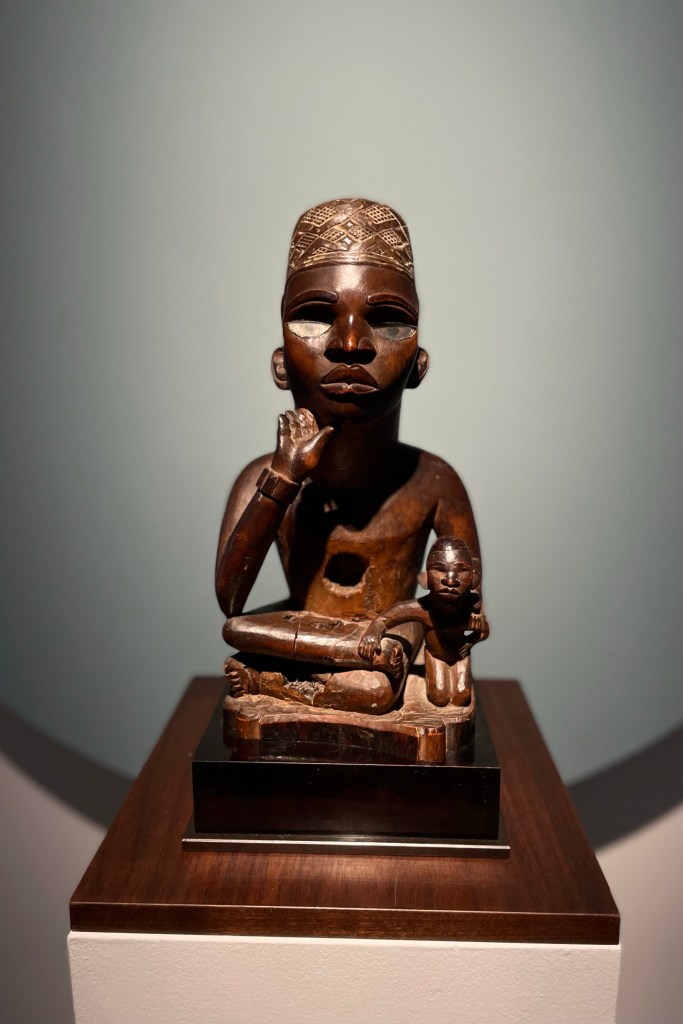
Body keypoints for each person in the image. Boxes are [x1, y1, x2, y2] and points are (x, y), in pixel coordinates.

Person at [216, 198, 481, 714]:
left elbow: (463, 598)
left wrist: (445, 639)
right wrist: (284, 479)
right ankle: (307, 680)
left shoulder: (436, 482)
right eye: (315, 316)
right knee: (239, 630)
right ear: (280, 365)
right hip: (307, 631)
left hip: (387, 639)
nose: (352, 342)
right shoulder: (262, 478)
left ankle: (275, 682)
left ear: (418, 366)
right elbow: (231, 601)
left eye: (389, 321)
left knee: (378, 683)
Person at [357, 536, 489, 707]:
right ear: (425, 579)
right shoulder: (422, 608)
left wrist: (470, 642)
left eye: (462, 570)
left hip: (460, 657)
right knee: (439, 698)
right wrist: (373, 633)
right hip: (436, 656)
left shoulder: (470, 609)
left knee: (461, 696)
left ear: (473, 579)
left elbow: (484, 631)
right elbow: (384, 619)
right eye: (439, 569)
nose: (450, 580)